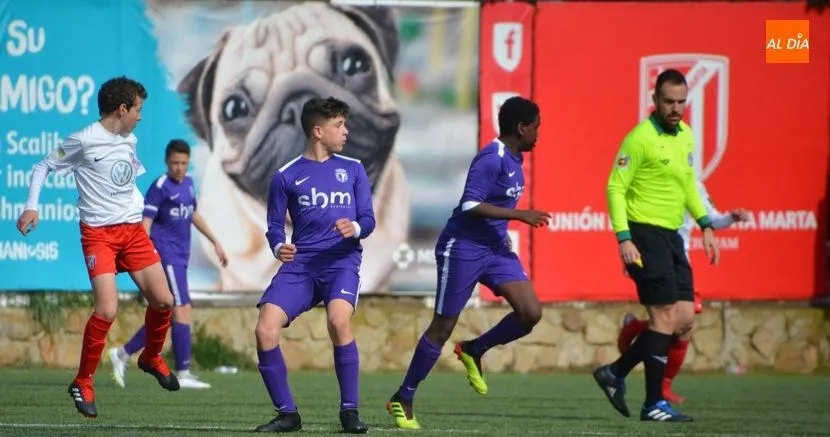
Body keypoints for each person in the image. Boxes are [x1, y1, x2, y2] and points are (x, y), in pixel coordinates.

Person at [16, 76, 180, 418]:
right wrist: (32, 205)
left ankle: (150, 356)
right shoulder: (83, 140)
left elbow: (122, 180)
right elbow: (43, 166)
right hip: (99, 235)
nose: (141, 116)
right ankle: (83, 381)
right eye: (138, 109)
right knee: (106, 310)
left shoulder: (128, 139)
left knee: (164, 300)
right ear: (122, 109)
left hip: (132, 232)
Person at [386, 96, 550, 430]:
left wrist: (501, 231)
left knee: (530, 312)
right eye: (536, 128)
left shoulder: (516, 158)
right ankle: (403, 397)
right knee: (442, 327)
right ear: (521, 128)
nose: (538, 135)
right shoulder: (491, 159)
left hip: (493, 249)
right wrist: (518, 215)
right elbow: (469, 205)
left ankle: (475, 349)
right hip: (462, 248)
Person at [592, 69, 720, 423]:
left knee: (681, 320)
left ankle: (615, 372)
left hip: (672, 235)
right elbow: (615, 187)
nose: (676, 108)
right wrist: (624, 238)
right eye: (669, 101)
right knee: (663, 317)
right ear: (655, 101)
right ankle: (653, 404)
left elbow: (689, 186)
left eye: (681, 101)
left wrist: (706, 223)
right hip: (644, 234)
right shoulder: (640, 138)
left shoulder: (687, 137)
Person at [253, 97, 374, 434]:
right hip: (302, 265)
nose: (346, 132)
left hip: (341, 262)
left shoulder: (353, 169)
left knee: (338, 321)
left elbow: (368, 218)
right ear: (318, 131)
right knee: (265, 329)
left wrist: (357, 228)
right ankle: (287, 414)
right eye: (339, 125)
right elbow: (274, 225)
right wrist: (279, 246)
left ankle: (349, 411)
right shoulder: (285, 176)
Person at [108, 139, 228, 390]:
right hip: (167, 258)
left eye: (184, 163)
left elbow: (192, 213)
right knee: (181, 310)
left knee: (174, 314)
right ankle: (183, 372)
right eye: (175, 163)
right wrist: (143, 255)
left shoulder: (189, 184)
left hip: (181, 257)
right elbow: (145, 225)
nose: (180, 168)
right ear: (167, 162)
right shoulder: (160, 187)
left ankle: (123, 353)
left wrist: (215, 241)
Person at [616, 179, 749, 405]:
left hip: (680, 259)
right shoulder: (648, 178)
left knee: (684, 325)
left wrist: (731, 218)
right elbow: (630, 215)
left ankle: (654, 370)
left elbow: (710, 219)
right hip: (654, 255)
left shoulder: (691, 182)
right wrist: (628, 249)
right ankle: (634, 375)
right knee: (671, 322)